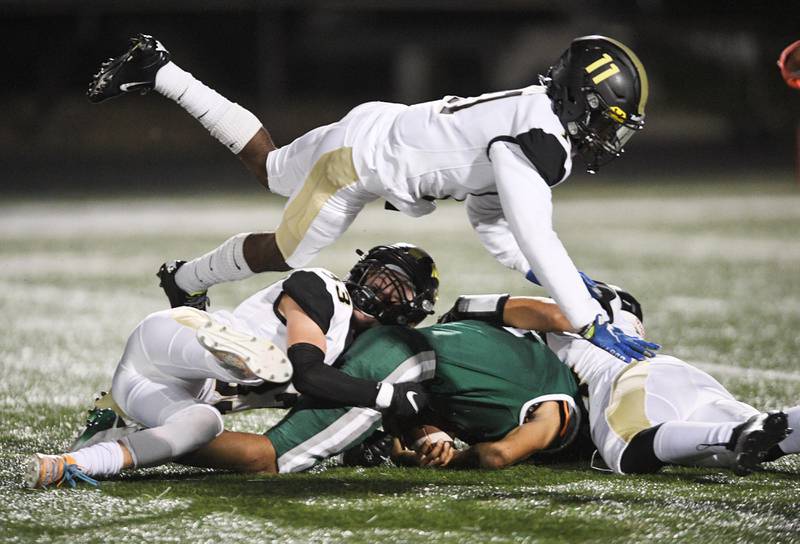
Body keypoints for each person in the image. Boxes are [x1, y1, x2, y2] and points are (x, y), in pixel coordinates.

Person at [86, 33, 657, 363]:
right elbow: (535, 232)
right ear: (580, 101)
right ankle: (183, 281)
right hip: (358, 165)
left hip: (377, 126)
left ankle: (160, 70)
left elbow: (492, 218)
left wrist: (548, 276)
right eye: (608, 121)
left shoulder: (533, 117)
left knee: (271, 168)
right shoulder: (540, 143)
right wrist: (585, 318)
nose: (610, 136)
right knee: (289, 253)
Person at [27, 243, 439, 488]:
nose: (381, 288)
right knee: (262, 368)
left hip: (151, 391)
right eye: (381, 276)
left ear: (410, 311)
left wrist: (410, 435)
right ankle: (233, 351)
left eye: (397, 288)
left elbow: (352, 400)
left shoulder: (353, 359)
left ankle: (80, 461)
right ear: (360, 270)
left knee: (204, 425)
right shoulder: (325, 290)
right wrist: (388, 395)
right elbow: (311, 373)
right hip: (173, 343)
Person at [438, 290, 798, 475]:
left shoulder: (560, 319)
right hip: (681, 375)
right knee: (752, 446)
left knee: (627, 451)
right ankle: (760, 427)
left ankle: (735, 433)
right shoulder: (618, 318)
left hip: (627, 380)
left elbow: (522, 313)